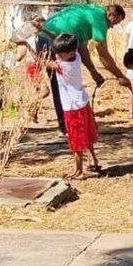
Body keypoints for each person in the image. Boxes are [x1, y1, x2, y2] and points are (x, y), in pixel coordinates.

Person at [33, 3, 129, 135]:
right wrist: (120, 76)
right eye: (114, 22)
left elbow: (82, 47)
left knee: (60, 86)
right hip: (54, 41)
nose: (112, 27)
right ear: (110, 15)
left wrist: (93, 72)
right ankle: (69, 127)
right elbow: (103, 55)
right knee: (63, 86)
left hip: (44, 36)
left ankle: (66, 126)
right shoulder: (100, 20)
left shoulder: (93, 10)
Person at [49, 33, 101, 180]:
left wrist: (28, 47)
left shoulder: (64, 66)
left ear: (69, 53)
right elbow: (60, 45)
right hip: (82, 102)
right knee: (87, 135)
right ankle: (94, 160)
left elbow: (42, 62)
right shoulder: (77, 57)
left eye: (60, 54)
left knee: (76, 140)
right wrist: (44, 31)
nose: (57, 56)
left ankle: (79, 170)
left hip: (72, 107)